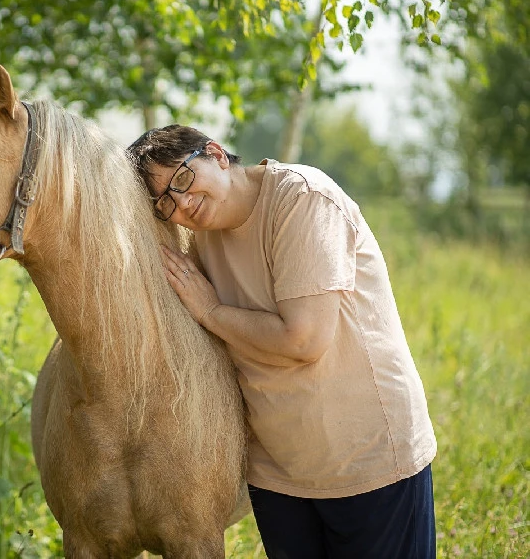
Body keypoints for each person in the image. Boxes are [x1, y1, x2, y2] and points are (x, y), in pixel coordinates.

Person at [127, 125, 437, 559]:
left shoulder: (303, 200)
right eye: (165, 204)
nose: (182, 203)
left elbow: (304, 339)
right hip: (279, 473)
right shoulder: (201, 242)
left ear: (215, 154)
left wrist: (212, 312)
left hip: (367, 460)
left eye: (181, 179)